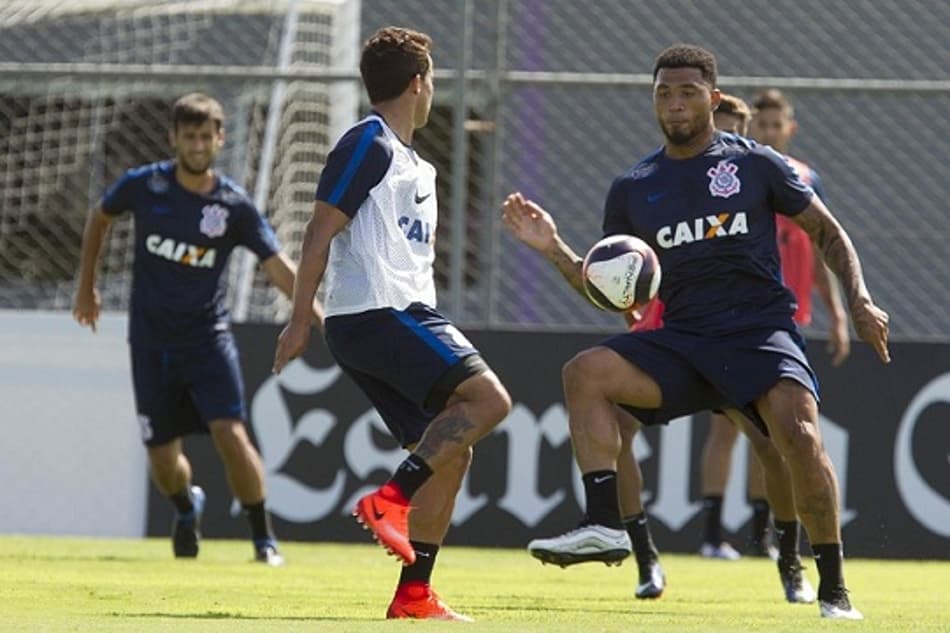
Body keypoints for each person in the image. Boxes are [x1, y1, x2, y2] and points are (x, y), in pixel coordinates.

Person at [502, 45, 889, 620]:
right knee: (584, 373)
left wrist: (858, 299)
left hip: (759, 333)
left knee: (798, 439)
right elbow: (613, 288)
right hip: (683, 341)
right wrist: (554, 248)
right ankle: (605, 525)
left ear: (713, 98)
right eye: (664, 93)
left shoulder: (756, 164)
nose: (675, 104)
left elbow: (828, 232)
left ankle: (830, 586)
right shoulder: (634, 186)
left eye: (687, 92)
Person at [526, 92, 817, 606]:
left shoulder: (759, 182)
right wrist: (555, 250)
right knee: (617, 426)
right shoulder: (655, 188)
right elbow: (611, 278)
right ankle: (644, 558)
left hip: (740, 339)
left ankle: (789, 560)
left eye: (736, 131)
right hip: (670, 336)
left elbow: (812, 244)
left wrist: (831, 307)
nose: (724, 144)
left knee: (772, 447)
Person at [272, 27, 512, 622]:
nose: (433, 89)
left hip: (391, 314)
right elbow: (319, 229)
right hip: (379, 312)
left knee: (452, 452)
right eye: (432, 78)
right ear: (417, 83)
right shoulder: (368, 141)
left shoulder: (412, 163)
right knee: (489, 400)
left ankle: (414, 594)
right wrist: (299, 320)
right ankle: (391, 498)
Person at [73, 93, 320, 566]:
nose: (198, 145)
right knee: (163, 461)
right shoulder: (144, 185)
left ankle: (263, 540)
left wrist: (314, 312)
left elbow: (275, 265)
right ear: (173, 138)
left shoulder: (233, 205)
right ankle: (187, 506)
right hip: (151, 343)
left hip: (208, 339)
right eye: (189, 136)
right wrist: (86, 288)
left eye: (206, 136)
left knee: (231, 434)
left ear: (220, 139)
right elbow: (99, 217)